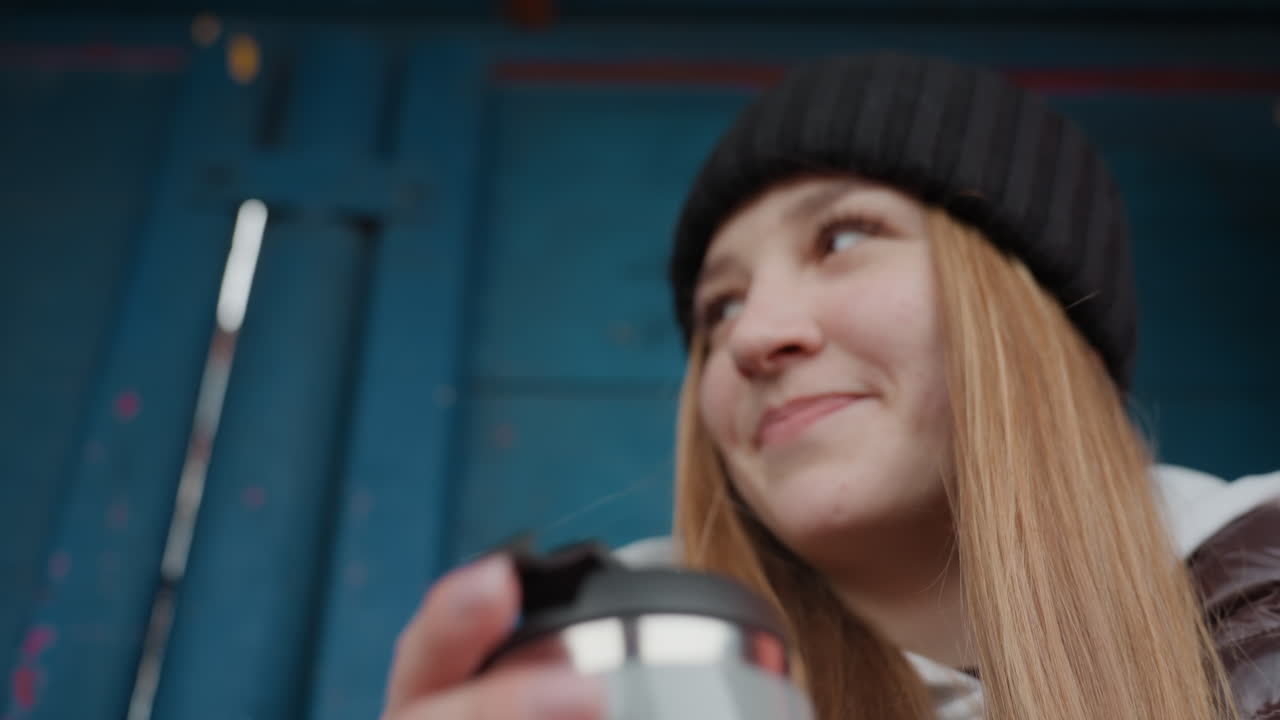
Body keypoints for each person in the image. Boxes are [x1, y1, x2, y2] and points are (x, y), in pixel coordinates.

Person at [379, 53, 1280, 720]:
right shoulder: (610, 668)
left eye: (843, 240)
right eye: (718, 308)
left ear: (1023, 310)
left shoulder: (1259, 590)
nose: (754, 339)